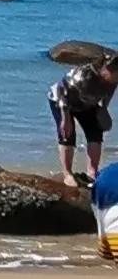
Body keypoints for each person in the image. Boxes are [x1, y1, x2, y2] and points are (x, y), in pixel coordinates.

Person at [60, 56, 117, 194]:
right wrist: (65, 119)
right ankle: (67, 174)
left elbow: (105, 100)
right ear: (106, 70)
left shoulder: (113, 81)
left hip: (86, 103)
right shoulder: (85, 74)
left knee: (95, 132)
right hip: (62, 101)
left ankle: (92, 173)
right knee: (68, 133)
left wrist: (102, 113)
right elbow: (62, 90)